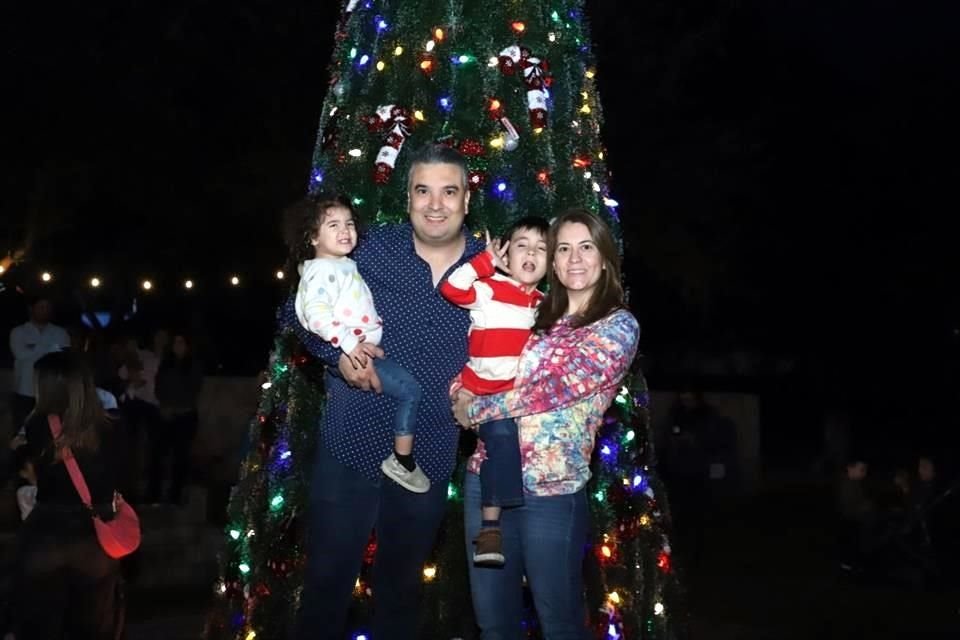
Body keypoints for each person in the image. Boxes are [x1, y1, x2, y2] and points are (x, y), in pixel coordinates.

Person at [286, 144, 484, 640]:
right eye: (423, 190)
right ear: (408, 197)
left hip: (429, 456)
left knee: (400, 596)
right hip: (351, 445)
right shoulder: (370, 249)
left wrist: (481, 398)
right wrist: (338, 358)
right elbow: (295, 313)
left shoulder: (490, 267)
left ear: (466, 200)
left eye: (448, 191)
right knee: (326, 586)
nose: (435, 204)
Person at [453, 209, 640, 639]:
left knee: (559, 624)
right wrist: (457, 393)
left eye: (586, 247)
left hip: (552, 493)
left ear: (605, 258)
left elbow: (552, 390)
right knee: (494, 624)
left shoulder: (617, 326)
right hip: (489, 482)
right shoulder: (532, 315)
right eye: (564, 249)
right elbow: (481, 362)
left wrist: (475, 410)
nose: (575, 258)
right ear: (553, 262)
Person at [291, 195, 429, 493]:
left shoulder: (342, 264)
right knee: (410, 390)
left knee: (407, 391)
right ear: (313, 236)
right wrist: (347, 345)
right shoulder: (323, 270)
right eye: (334, 225)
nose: (345, 231)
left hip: (363, 352)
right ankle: (402, 460)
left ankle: (400, 456)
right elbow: (312, 315)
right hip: (358, 356)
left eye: (349, 224)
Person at [439, 217, 549, 565]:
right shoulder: (489, 289)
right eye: (522, 245)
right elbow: (451, 288)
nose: (531, 253)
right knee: (500, 440)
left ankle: (512, 538)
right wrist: (484, 262)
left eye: (541, 248)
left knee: (500, 451)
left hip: (517, 403)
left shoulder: (544, 306)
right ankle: (491, 529)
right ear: (506, 252)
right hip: (482, 396)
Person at [13, 351, 126, 640]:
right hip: (95, 538)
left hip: (47, 534)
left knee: (39, 625)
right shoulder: (113, 426)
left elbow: (20, 466)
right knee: (93, 628)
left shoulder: (37, 425)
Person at [151, 333, 204, 504]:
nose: (178, 346)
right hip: (166, 415)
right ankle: (154, 493)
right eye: (175, 342)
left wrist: (176, 407)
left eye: (181, 342)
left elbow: (193, 389)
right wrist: (164, 405)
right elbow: (159, 386)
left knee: (180, 457)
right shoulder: (166, 364)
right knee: (158, 454)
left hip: (184, 416)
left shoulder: (193, 365)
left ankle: (175, 495)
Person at [8, 295, 70, 431]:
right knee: (21, 431)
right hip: (25, 391)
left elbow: (63, 358)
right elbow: (20, 354)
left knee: (49, 432)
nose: (45, 310)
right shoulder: (18, 332)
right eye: (41, 307)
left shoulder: (60, 332)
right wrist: (50, 348)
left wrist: (35, 349)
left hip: (52, 392)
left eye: (48, 308)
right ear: (31, 309)